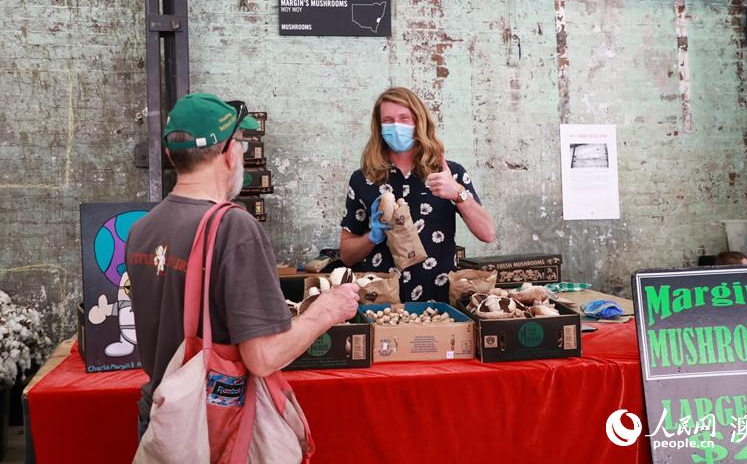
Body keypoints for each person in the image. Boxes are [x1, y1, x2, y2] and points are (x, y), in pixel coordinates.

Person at [126, 93, 359, 439]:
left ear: (169, 154)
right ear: (228, 153)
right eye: (240, 144)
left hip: (159, 421)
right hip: (212, 428)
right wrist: (326, 311)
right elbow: (263, 357)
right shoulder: (234, 228)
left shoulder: (142, 229)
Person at [339, 87, 495, 302]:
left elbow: (487, 234)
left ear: (418, 122)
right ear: (379, 127)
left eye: (404, 118)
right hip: (382, 302)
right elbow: (347, 255)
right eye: (388, 120)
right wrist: (372, 236)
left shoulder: (449, 173)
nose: (396, 126)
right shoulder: (363, 178)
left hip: (438, 301)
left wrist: (457, 193)